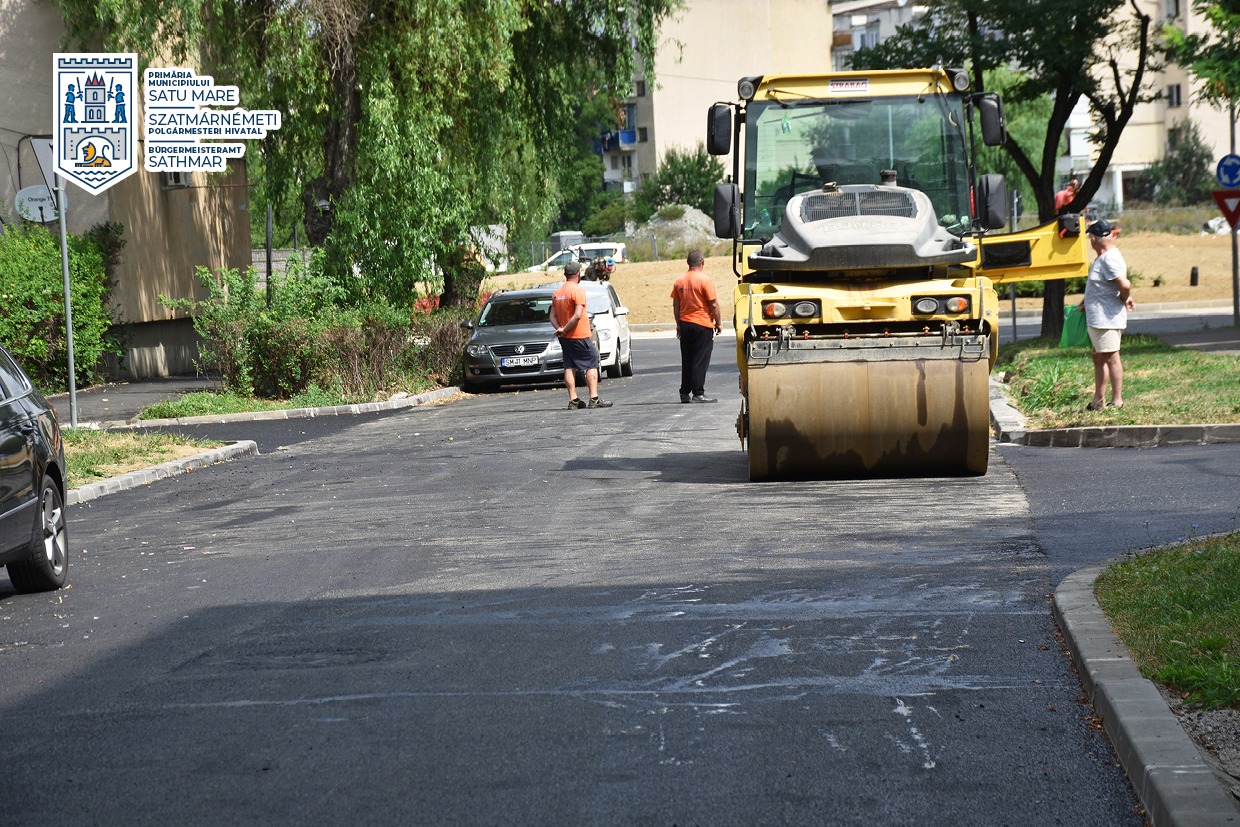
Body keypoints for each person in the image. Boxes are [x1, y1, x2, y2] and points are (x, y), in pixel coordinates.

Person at [1081, 219, 1135, 410]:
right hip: (1101, 317)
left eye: (1090, 238)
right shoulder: (1104, 257)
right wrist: (1085, 301)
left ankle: (1117, 400)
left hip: (1107, 318)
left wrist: (1124, 297)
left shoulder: (1109, 258)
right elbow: (1104, 285)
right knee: (1099, 357)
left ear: (1094, 238)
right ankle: (1098, 400)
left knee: (1111, 357)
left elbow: (1125, 284)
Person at [550, 260, 612, 409]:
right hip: (579, 335)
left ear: (565, 274)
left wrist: (560, 329)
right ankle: (594, 399)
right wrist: (566, 328)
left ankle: (573, 400)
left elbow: (552, 316)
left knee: (569, 366)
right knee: (591, 363)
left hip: (565, 338)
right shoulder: (577, 291)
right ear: (578, 274)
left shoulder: (557, 293)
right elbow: (578, 315)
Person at [670, 249, 723, 403]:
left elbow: (676, 305)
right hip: (702, 324)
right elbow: (713, 304)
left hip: (685, 323)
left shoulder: (679, 281)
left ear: (688, 263)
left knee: (687, 359)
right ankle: (698, 393)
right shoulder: (705, 280)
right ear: (702, 262)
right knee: (700, 359)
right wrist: (718, 323)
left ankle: (685, 392)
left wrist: (678, 324)